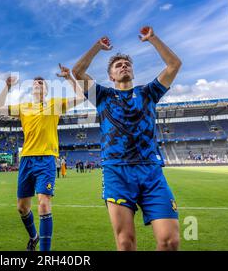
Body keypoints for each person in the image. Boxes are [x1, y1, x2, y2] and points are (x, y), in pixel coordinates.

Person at [72, 26, 182, 251]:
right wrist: (96, 48)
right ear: (111, 76)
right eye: (118, 65)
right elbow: (78, 71)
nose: (124, 66)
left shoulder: (148, 92)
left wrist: (153, 39)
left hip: (151, 171)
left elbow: (174, 65)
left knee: (170, 241)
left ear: (132, 71)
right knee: (125, 243)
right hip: (116, 171)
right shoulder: (102, 95)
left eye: (127, 64)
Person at [0, 63, 85, 251]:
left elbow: (81, 96)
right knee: (22, 208)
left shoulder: (55, 104)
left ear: (47, 90)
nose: (38, 84)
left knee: (43, 204)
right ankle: (33, 236)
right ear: (31, 89)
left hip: (46, 159)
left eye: (42, 83)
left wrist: (69, 77)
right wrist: (7, 86)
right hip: (27, 159)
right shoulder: (23, 107)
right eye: (35, 83)